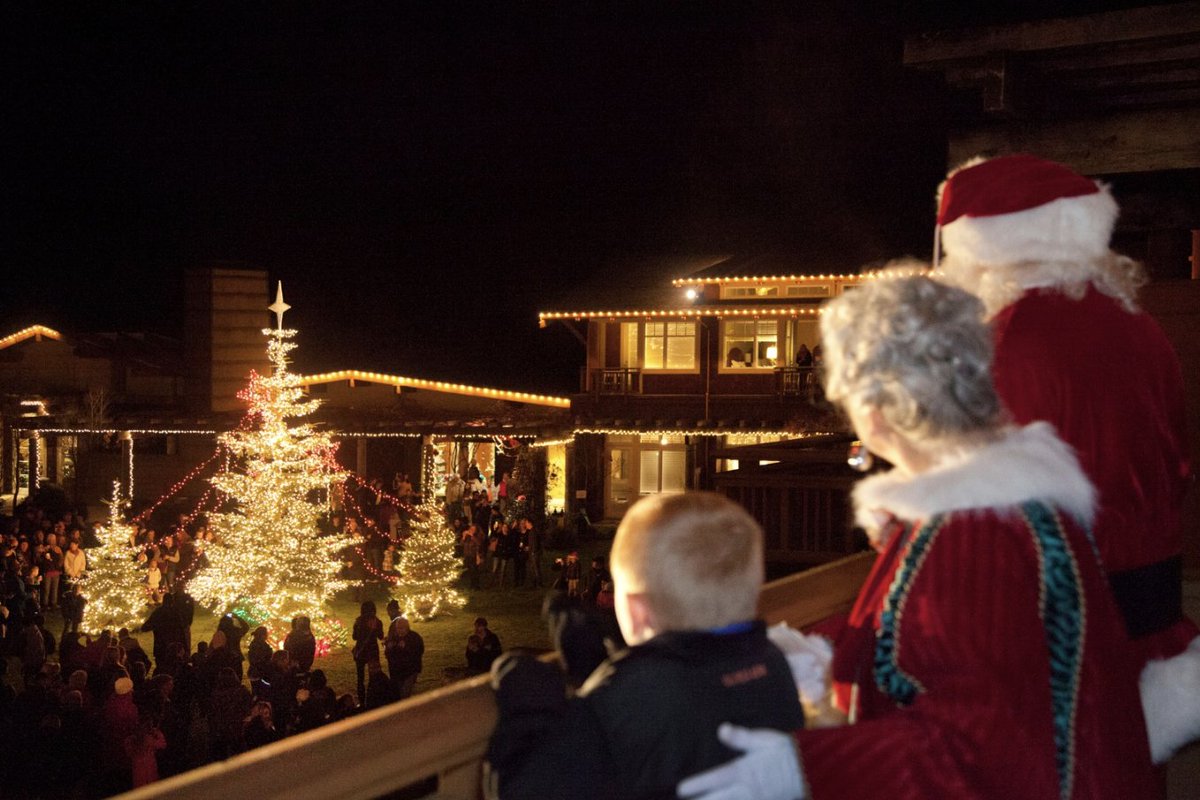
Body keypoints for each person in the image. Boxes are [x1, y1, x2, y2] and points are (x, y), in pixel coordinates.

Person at [677, 275, 1156, 800]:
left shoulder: (973, 534)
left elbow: (975, 748)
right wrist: (827, 655)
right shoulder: (998, 506)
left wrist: (804, 765)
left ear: (876, 409)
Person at [933, 153, 1199, 763]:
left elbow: (983, 488)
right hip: (1148, 599)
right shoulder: (1141, 328)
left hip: (1052, 613)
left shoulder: (1007, 339)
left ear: (981, 249)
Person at [488, 491, 804, 799]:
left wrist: (528, 697)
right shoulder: (772, 661)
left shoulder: (636, 691)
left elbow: (530, 788)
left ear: (636, 612)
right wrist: (600, 669)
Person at [384, 615, 425, 700]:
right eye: (398, 628)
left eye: (401, 628)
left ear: (407, 628)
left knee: (405, 694)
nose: (399, 630)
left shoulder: (414, 637)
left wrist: (406, 647)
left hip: (409, 671)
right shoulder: (393, 638)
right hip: (396, 672)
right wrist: (389, 648)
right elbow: (388, 655)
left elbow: (419, 652)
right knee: (398, 694)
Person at [351, 601, 384, 703]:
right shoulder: (377, 622)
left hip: (361, 651)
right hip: (372, 651)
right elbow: (381, 636)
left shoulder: (358, 621)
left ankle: (362, 702)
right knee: (373, 677)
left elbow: (354, 637)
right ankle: (372, 700)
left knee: (360, 678)